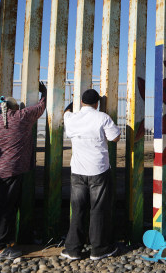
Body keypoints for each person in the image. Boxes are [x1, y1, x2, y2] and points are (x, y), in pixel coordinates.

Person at [0, 82, 47, 261]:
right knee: (6, 209)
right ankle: (0, 250)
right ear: (15, 107)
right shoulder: (22, 116)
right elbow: (41, 107)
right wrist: (44, 91)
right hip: (11, 172)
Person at [61, 89, 121, 261]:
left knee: (78, 209)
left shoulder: (71, 118)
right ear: (97, 103)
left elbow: (66, 112)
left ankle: (73, 249)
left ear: (81, 102)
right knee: (98, 210)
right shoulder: (102, 117)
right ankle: (99, 250)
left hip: (78, 171)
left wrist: (72, 102)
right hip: (98, 171)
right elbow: (115, 137)